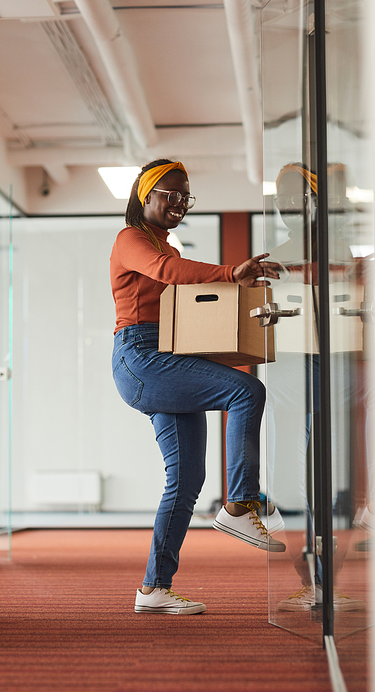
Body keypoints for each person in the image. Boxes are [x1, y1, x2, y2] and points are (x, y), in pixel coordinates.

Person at [110, 159, 286, 616]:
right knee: (245, 392)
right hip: (140, 360)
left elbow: (183, 281)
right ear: (145, 195)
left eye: (185, 196)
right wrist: (231, 273)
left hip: (169, 356)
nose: (178, 203)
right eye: (170, 194)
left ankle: (153, 589)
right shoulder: (131, 240)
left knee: (187, 480)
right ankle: (240, 505)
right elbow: (171, 273)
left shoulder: (163, 243)